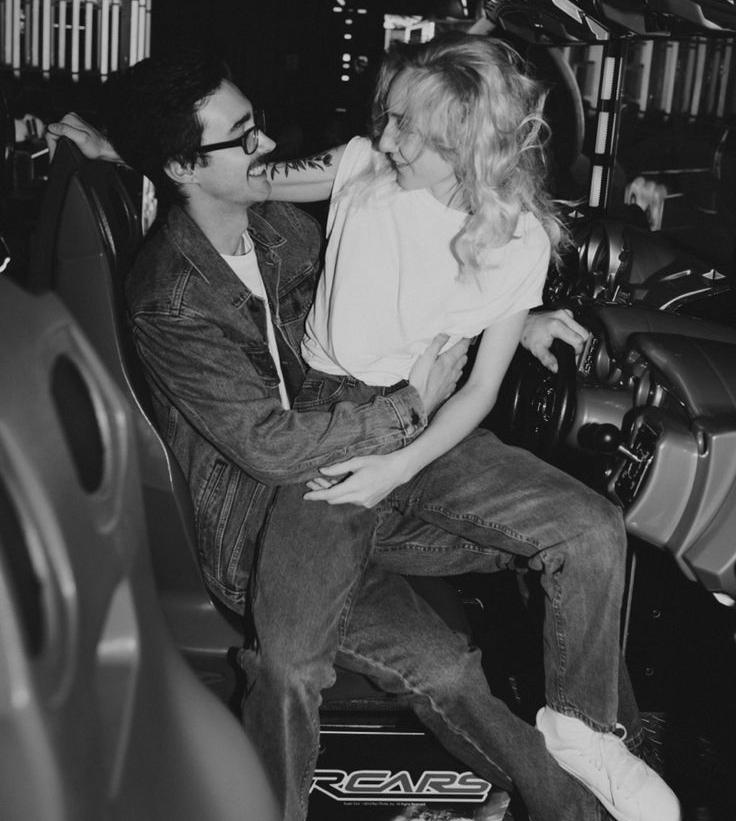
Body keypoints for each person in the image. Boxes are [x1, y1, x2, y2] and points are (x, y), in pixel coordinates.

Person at [44, 48, 671, 821]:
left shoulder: (277, 228)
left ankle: (605, 748)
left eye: (257, 128)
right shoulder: (168, 298)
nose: (266, 147)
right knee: (435, 670)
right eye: (243, 138)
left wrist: (511, 315)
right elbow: (272, 447)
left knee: (580, 535)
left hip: (381, 466)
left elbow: (391, 282)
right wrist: (411, 404)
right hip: (271, 506)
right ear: (184, 166)